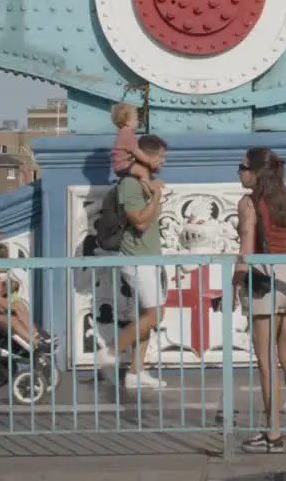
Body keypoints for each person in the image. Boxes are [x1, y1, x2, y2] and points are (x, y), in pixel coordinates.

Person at [233, 147, 286, 453]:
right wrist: (279, 246)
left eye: (242, 167)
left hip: (262, 281)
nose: (239, 172)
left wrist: (235, 285)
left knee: (266, 362)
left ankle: (273, 433)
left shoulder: (248, 203)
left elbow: (245, 251)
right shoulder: (285, 201)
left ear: (256, 172)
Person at [95, 134, 169, 391]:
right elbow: (139, 221)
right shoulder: (130, 183)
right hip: (137, 258)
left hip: (148, 256)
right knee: (156, 313)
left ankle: (136, 372)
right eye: (160, 156)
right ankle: (111, 352)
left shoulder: (143, 181)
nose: (162, 162)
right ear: (147, 156)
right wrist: (157, 194)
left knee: (146, 314)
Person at [0, 244, 53, 351]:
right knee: (13, 319)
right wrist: (11, 307)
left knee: (19, 305)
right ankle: (37, 343)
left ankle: (37, 335)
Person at [110, 102, 154, 194]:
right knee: (143, 171)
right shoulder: (127, 134)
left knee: (140, 171)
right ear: (127, 121)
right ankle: (150, 192)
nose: (138, 122)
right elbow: (136, 151)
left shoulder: (122, 133)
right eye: (136, 119)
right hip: (123, 165)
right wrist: (148, 160)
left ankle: (144, 187)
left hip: (120, 165)